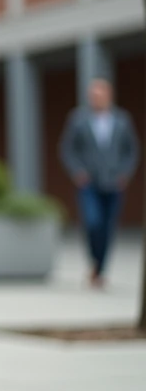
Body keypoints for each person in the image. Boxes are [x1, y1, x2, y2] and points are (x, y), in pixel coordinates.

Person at [59, 78, 140, 289]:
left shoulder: (122, 120)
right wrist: (77, 172)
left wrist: (125, 173)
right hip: (89, 184)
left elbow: (131, 150)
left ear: (109, 96)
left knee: (108, 226)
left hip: (114, 183)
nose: (97, 99)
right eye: (93, 95)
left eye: (101, 95)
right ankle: (95, 262)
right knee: (93, 223)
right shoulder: (78, 119)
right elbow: (67, 149)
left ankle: (100, 269)